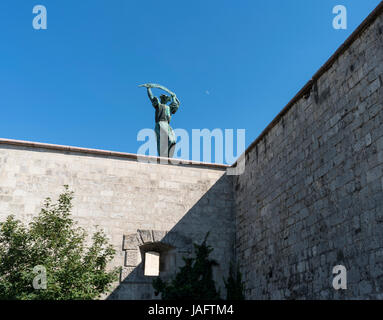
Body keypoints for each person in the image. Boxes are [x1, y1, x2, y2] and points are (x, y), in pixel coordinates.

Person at [146, 87, 180, 158]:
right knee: (163, 140)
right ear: (161, 99)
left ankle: (168, 154)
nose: (165, 99)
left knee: (172, 140)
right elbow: (151, 98)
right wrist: (148, 89)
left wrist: (174, 97)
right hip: (160, 123)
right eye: (163, 98)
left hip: (167, 125)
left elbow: (176, 104)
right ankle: (163, 155)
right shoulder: (158, 105)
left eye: (166, 98)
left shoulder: (169, 108)